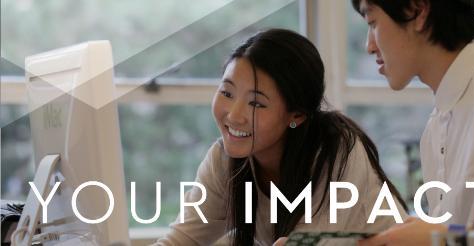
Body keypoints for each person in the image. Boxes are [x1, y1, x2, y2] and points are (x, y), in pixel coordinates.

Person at [155, 29, 408, 246]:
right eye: (227, 92)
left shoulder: (338, 152)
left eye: (256, 103)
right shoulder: (225, 161)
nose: (234, 115)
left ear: (296, 115)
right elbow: (181, 240)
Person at [349, 0, 474, 245]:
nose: (369, 45)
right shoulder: (437, 125)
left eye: (373, 22)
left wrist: (443, 238)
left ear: (418, 12)